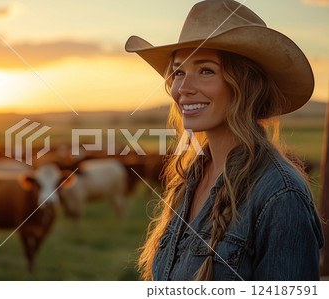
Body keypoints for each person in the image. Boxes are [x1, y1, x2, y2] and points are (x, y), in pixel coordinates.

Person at [125, 0, 324, 280]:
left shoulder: (281, 196)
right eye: (179, 72)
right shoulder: (189, 178)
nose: (182, 88)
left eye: (205, 70)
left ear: (244, 85)